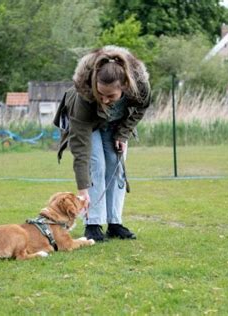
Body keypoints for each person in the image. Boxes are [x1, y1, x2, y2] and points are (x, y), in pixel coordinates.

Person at [53, 45, 151, 242]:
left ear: (124, 86)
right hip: (90, 124)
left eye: (111, 96)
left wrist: (123, 134)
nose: (105, 100)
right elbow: (81, 152)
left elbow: (141, 107)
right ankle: (93, 224)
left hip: (117, 124)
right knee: (96, 165)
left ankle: (114, 223)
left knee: (116, 166)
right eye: (101, 94)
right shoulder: (84, 96)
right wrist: (82, 191)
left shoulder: (139, 86)